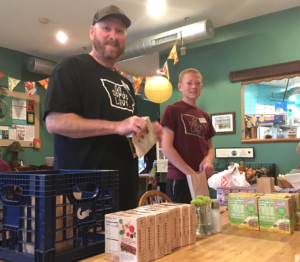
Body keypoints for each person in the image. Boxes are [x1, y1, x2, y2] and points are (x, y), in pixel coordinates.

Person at [44, 5, 162, 211]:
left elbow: (126, 134)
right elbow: (55, 122)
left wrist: (147, 132)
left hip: (124, 192)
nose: (113, 36)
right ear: (92, 32)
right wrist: (117, 126)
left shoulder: (125, 83)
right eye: (106, 28)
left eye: (120, 31)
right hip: (82, 195)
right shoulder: (71, 67)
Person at [161, 68, 216, 204]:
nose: (194, 87)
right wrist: (190, 173)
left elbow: (210, 148)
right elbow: (166, 148)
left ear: (201, 87)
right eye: (189, 83)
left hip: (200, 178)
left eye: (197, 83)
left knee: (202, 219)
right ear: (180, 87)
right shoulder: (172, 110)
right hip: (179, 178)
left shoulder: (204, 115)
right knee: (180, 222)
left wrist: (208, 160)